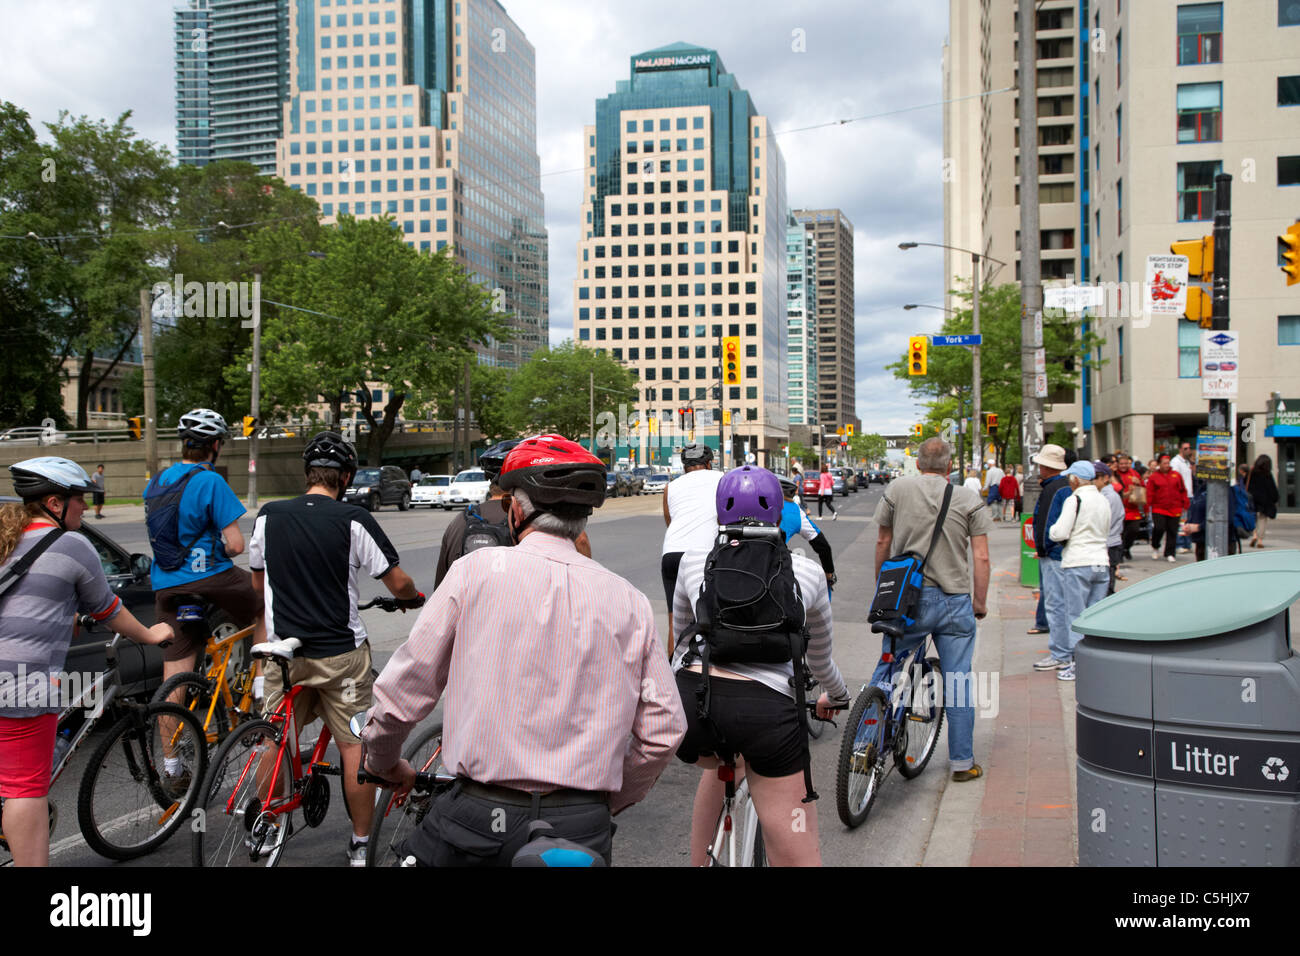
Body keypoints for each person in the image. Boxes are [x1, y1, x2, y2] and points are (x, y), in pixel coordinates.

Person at [360, 434, 685, 867]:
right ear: (582, 519)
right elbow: (663, 730)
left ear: (516, 509)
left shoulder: (473, 573)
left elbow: (405, 689)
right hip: (579, 827)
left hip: (476, 819)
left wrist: (384, 762)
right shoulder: (629, 600)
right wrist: (607, 801)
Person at [248, 432, 424, 865]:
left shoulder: (268, 516)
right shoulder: (353, 518)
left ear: (308, 474)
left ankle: (267, 823)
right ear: (344, 477)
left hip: (283, 654)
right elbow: (397, 581)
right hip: (339, 656)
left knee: (276, 738)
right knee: (353, 748)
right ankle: (361, 843)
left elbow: (258, 581)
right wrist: (411, 598)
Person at [673, 466, 850, 865]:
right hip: (765, 717)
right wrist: (837, 695)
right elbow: (819, 659)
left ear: (720, 514)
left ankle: (699, 861)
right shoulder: (806, 572)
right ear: (779, 513)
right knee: (798, 850)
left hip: (694, 708)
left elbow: (682, 645)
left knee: (722, 762)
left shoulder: (691, 563)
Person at [0, 458, 173, 866]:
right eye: (80, 499)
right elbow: (108, 607)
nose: (85, 506)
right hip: (20, 681)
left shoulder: (6, 537)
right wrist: (151, 634)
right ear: (55, 502)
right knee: (25, 788)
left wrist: (65, 615)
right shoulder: (73, 545)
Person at [872, 438, 990, 781]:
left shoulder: (898, 489)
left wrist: (883, 589)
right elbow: (981, 556)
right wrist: (979, 601)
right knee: (958, 680)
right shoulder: (968, 498)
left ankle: (865, 745)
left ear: (919, 463)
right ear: (950, 466)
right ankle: (962, 764)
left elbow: (882, 541)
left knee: (889, 671)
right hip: (954, 601)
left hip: (907, 598)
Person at [148, 409, 266, 697]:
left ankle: (169, 740)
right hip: (210, 576)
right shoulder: (210, 481)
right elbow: (236, 545)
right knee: (266, 604)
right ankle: (263, 686)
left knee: (175, 670)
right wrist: (219, 550)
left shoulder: (156, 481)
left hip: (165, 583)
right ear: (215, 445)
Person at [1047, 461, 1112, 682]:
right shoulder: (1104, 499)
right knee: (1094, 617)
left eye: (1069, 478)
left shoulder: (1074, 499)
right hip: (1101, 562)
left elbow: (1059, 532)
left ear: (1075, 479)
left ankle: (1077, 664)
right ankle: (1095, 662)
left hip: (1078, 561)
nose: (1068, 481)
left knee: (1076, 615)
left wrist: (1053, 530)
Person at [661, 442, 723, 646]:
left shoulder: (670, 487)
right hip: (703, 555)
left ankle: (672, 673)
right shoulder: (723, 479)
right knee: (711, 619)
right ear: (709, 463)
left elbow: (669, 522)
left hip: (672, 554)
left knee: (675, 622)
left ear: (684, 465)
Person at [1030, 444, 1073, 667]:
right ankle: (1065, 651)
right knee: (1063, 604)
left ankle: (1061, 654)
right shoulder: (1064, 486)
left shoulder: (1053, 489)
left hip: (1054, 554)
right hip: (1062, 552)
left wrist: (1043, 548)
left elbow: (1046, 522)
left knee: (1056, 605)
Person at [777, 474, 835, 587]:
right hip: (776, 565)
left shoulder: (746, 504)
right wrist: (829, 575)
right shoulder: (794, 510)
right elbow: (823, 547)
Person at [1146, 454, 1188, 563]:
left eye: (1168, 463)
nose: (1167, 465)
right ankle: (1155, 546)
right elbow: (1149, 492)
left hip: (1175, 507)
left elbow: (1182, 490)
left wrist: (1185, 502)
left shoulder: (1176, 475)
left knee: (1172, 531)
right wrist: (1148, 506)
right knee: (1159, 528)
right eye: (1164, 463)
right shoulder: (1154, 477)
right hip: (1159, 507)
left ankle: (1170, 553)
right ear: (1159, 464)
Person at [1093, 461, 1126, 592]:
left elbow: (1105, 523)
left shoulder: (1110, 497)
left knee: (1105, 587)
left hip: (1109, 545)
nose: (1092, 481)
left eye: (1095, 477)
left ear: (1105, 478)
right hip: (1103, 544)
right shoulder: (1100, 495)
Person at [1114, 453, 1145, 561]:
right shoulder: (1114, 475)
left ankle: (1127, 548)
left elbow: (1143, 489)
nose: (1123, 466)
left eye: (1126, 463)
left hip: (1133, 508)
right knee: (1120, 532)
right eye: (1121, 463)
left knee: (1134, 530)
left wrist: (1139, 483)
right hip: (1119, 508)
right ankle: (1120, 552)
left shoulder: (1134, 474)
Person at [1247, 455, 1279, 548]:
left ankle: (1254, 535)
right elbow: (1272, 489)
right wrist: (1275, 499)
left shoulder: (1251, 473)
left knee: (1253, 518)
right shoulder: (1267, 474)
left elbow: (1247, 485)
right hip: (1265, 501)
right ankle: (1260, 540)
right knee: (1262, 520)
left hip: (1253, 499)